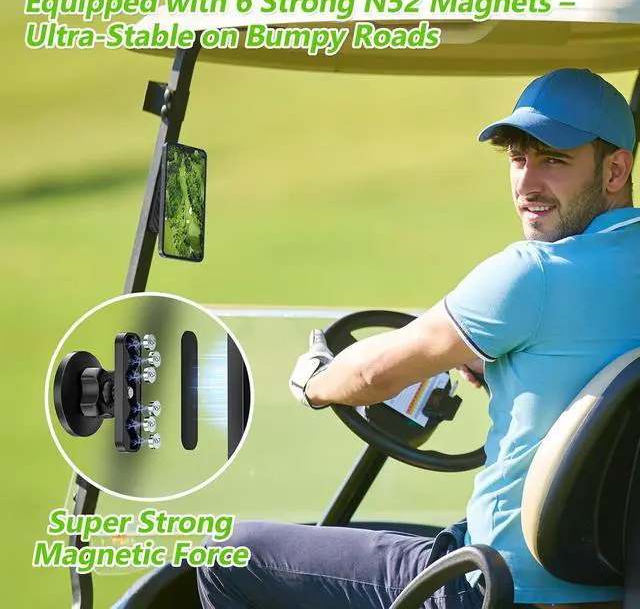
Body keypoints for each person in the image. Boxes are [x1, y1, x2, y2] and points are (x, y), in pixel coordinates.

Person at [197, 68, 640, 609]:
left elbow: (370, 374)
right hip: (611, 585)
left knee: (229, 557)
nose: (527, 185)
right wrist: (502, 371)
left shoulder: (534, 274)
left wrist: (315, 381)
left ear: (615, 169)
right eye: (517, 158)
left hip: (493, 587)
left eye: (553, 160)